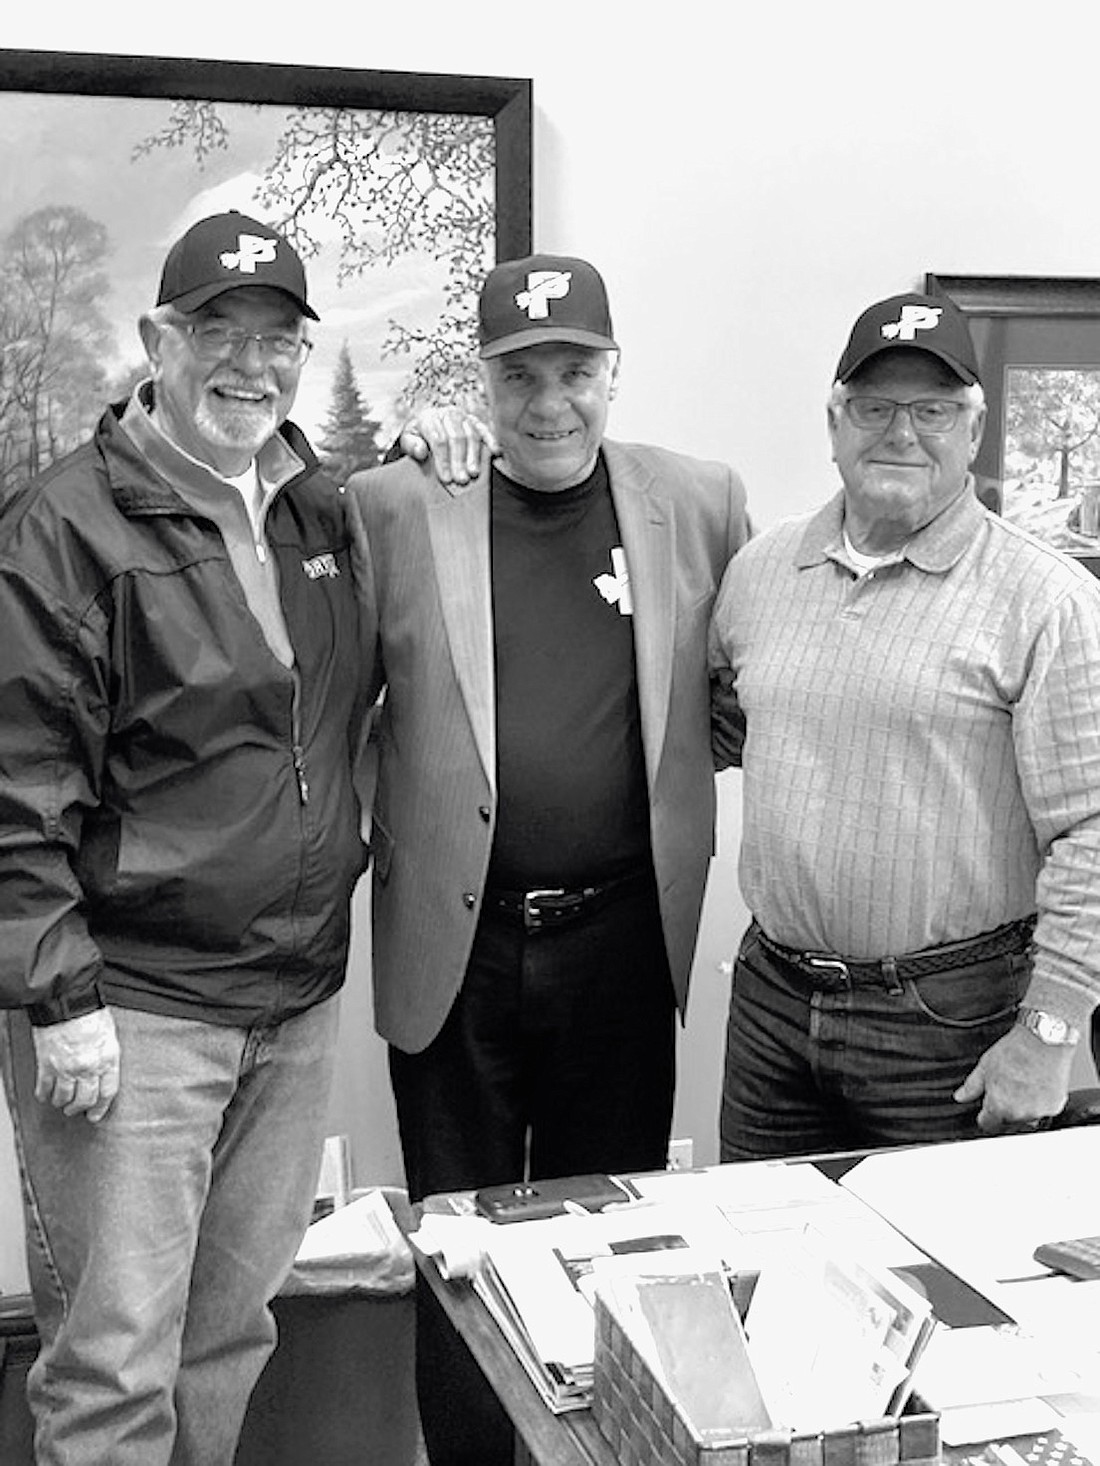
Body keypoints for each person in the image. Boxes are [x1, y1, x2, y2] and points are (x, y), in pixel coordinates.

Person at [349, 252, 750, 1464]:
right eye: (517, 373)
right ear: (482, 379)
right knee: (460, 1244)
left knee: (609, 1241)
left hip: (621, 941)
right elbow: (335, 700)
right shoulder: (396, 504)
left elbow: (737, 688)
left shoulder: (700, 500)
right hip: (455, 947)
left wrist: (671, 771)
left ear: (612, 371)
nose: (547, 400)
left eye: (573, 368)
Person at [0, 211, 370, 1466]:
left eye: (278, 340)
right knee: (113, 1362)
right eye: (219, 332)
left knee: (228, 1333)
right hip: (136, 1009)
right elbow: (17, 783)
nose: (250, 366)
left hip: (292, 998)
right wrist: (60, 997)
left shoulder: (316, 511)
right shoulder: (65, 525)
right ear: (160, 339)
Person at [709, 291, 1100, 1163]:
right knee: (767, 1268)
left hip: (949, 1022)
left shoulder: (1047, 600)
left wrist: (1050, 1032)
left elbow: (1093, 830)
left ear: (974, 428)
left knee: (939, 1283)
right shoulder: (762, 571)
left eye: (933, 410)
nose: (901, 433)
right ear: (835, 420)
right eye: (876, 407)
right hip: (774, 1003)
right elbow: (728, 724)